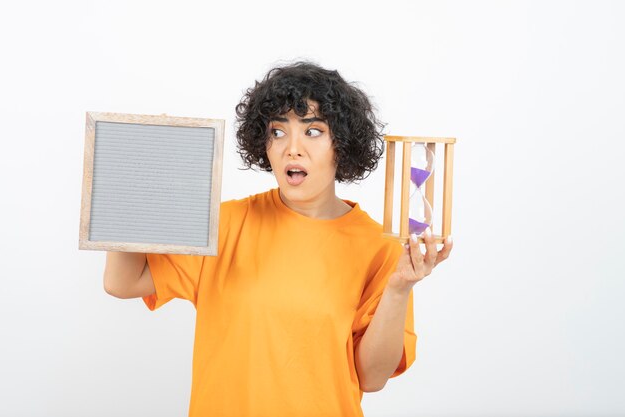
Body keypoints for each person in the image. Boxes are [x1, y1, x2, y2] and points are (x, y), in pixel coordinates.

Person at [103, 61, 453, 417]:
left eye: (313, 131)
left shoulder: (378, 247)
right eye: (277, 131)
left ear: (341, 144)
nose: (292, 148)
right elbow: (122, 282)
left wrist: (398, 289)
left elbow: (372, 377)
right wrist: (134, 168)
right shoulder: (226, 223)